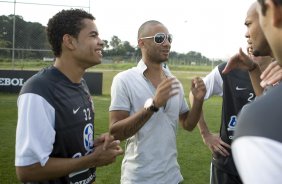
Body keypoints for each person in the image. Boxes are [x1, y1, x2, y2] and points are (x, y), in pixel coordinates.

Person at [15, 9, 123, 183]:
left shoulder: (81, 84)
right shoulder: (39, 90)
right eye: (93, 35)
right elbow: (28, 170)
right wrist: (92, 159)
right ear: (70, 41)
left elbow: (63, 146)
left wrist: (92, 146)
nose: (101, 42)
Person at [109, 20, 206, 184]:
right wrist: (153, 105)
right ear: (141, 43)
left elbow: (188, 124)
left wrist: (198, 101)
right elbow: (116, 132)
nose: (167, 43)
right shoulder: (124, 80)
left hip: (172, 176)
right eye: (160, 38)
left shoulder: (173, 81)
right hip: (139, 178)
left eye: (169, 38)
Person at [189, 2, 274, 184]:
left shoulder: (277, 71)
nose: (246, 34)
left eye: (249, 24)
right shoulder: (229, 70)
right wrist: (205, 134)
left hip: (264, 164)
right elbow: (195, 94)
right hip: (228, 164)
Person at [231, 0, 282, 183]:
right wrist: (253, 69)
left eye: (248, 24)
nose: (246, 33)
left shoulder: (255, 121)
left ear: (272, 10)